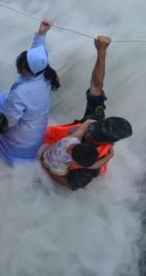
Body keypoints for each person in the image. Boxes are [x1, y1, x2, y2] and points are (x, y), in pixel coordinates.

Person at [41, 36, 132, 190]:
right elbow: (96, 86)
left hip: (55, 169)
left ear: (108, 143)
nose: (88, 134)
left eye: (93, 137)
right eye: (91, 130)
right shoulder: (94, 119)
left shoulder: (91, 166)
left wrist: (46, 170)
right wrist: (101, 51)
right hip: (55, 154)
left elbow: (70, 184)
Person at [0, 19, 61, 162]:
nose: (17, 69)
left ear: (28, 71)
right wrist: (42, 33)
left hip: (19, 142)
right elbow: (38, 53)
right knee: (1, 98)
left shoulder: (21, 93)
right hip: (35, 133)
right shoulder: (44, 71)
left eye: (20, 68)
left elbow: (8, 122)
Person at [39, 120, 109, 176]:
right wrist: (110, 155)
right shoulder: (71, 160)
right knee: (65, 173)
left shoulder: (72, 139)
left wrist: (100, 124)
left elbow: (88, 122)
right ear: (76, 162)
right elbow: (94, 166)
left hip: (46, 154)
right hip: (52, 166)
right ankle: (48, 171)